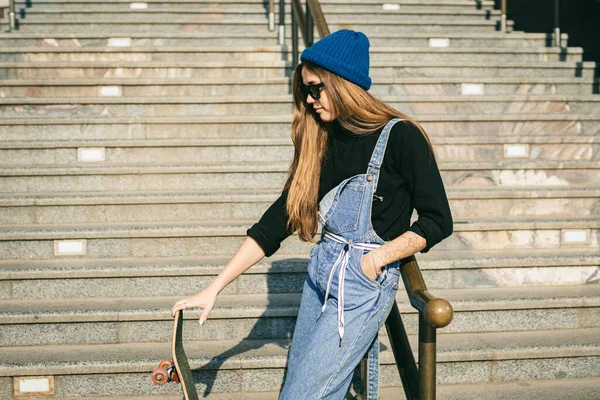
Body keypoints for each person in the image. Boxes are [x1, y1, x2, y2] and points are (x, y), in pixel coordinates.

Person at [172, 29, 453, 399]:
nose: (309, 99)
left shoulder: (400, 136)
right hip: (320, 276)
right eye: (305, 90)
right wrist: (214, 288)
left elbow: (438, 220)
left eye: (316, 88)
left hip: (361, 285)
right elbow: (277, 222)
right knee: (299, 391)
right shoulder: (324, 138)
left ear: (343, 84)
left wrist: (374, 261)